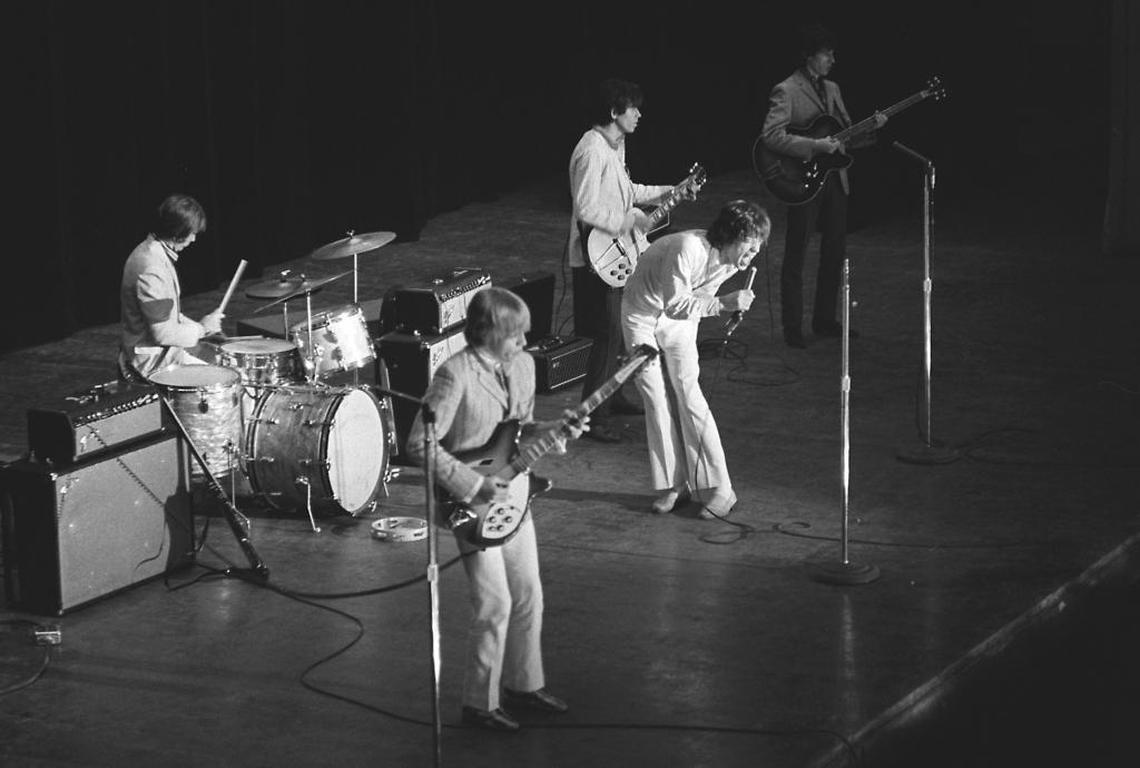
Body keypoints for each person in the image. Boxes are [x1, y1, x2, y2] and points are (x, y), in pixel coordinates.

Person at [406, 287, 587, 732]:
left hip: (516, 491)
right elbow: (418, 443)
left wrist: (555, 428)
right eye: (515, 335)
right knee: (494, 604)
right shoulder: (454, 376)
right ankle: (479, 704)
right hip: (470, 503)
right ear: (486, 333)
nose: (525, 343)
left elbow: (519, 429)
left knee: (529, 593)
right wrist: (472, 484)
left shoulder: (522, 365)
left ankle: (525, 686)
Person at [621, 200, 771, 520]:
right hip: (642, 315)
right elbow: (677, 303)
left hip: (679, 322)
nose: (752, 254)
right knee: (655, 397)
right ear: (730, 236)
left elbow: (698, 300)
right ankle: (673, 485)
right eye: (749, 246)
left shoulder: (731, 263)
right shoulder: (688, 247)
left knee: (689, 393)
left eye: (757, 248)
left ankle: (720, 488)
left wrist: (723, 305)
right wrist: (723, 304)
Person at [760, 24, 884, 348]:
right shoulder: (786, 89)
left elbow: (845, 136)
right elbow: (771, 136)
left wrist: (871, 129)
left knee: (834, 251)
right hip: (802, 179)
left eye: (832, 53)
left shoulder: (833, 89)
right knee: (797, 251)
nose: (832, 58)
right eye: (827, 53)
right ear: (809, 56)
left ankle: (825, 319)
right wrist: (815, 147)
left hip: (835, 180)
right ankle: (792, 327)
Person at [568, 78, 674, 442]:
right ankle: (594, 417)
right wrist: (627, 221)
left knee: (618, 333)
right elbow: (585, 208)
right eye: (634, 109)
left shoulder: (615, 146)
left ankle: (613, 397)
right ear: (614, 112)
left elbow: (628, 192)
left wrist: (669, 191)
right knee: (606, 335)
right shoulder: (591, 150)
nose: (640, 115)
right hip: (596, 257)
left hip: (615, 252)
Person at [118, 193, 224, 380]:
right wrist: (203, 329)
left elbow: (169, 316)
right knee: (227, 378)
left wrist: (202, 327)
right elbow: (163, 333)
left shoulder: (150, 251)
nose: (193, 239)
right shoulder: (152, 268)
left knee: (220, 358)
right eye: (191, 233)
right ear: (178, 232)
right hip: (151, 363)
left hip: (159, 353)